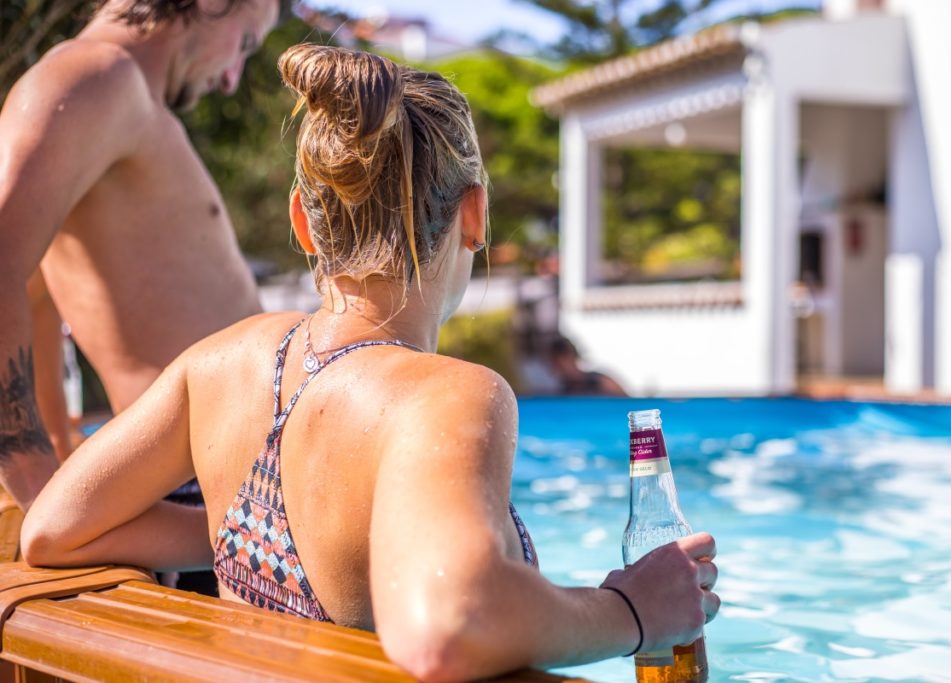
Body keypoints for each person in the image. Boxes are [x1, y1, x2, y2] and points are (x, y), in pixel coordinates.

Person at [21, 46, 719, 680]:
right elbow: (446, 629)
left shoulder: (223, 364)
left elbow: (51, 529)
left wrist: (228, 534)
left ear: (302, 220)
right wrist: (629, 609)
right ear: (473, 215)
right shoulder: (449, 398)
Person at [0, 0, 279, 511]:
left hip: (217, 477)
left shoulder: (120, 95)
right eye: (244, 44)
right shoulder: (93, 74)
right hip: (193, 485)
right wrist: (31, 475)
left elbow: (33, 293)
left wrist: (59, 448)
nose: (232, 79)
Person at [548, 335, 628, 396]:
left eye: (558, 363)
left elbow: (627, 405)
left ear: (571, 357)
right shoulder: (563, 390)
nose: (555, 368)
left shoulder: (601, 382)